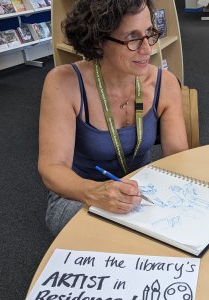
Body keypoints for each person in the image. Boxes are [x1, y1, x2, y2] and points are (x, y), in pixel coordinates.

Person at [38, 0, 188, 236]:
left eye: (149, 33)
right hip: (79, 195)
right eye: (132, 38)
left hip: (142, 192)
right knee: (115, 239)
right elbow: (51, 168)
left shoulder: (165, 83)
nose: (147, 49)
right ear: (99, 42)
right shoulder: (64, 83)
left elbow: (178, 158)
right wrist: (94, 192)